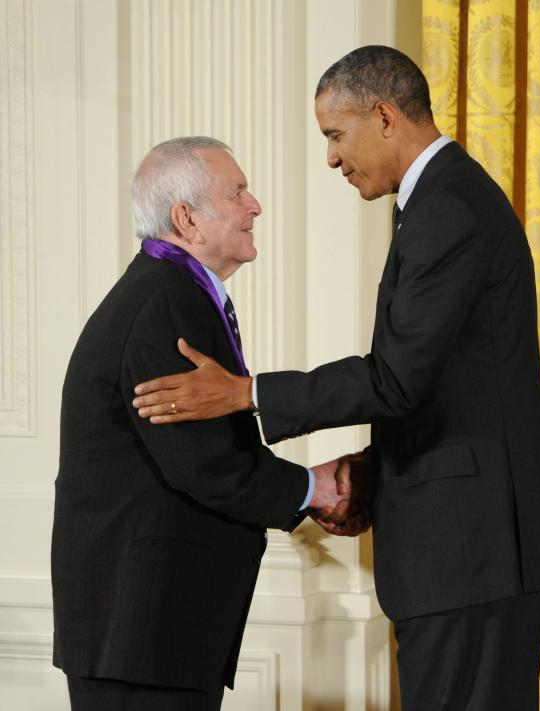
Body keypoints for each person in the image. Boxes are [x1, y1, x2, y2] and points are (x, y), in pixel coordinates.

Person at [131, 48, 540, 710]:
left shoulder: (449, 208)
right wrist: (379, 468)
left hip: (469, 555)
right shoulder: (441, 200)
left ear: (383, 116)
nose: (332, 159)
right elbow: (453, 382)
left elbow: (396, 377)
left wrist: (245, 391)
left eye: (335, 135)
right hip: (466, 552)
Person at [51, 136, 350, 711]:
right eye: (237, 192)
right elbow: (202, 463)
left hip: (149, 627)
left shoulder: (168, 291)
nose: (255, 205)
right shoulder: (166, 301)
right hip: (143, 628)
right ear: (186, 218)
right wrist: (314, 488)